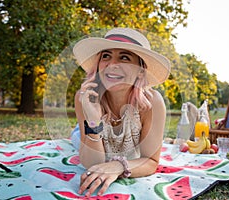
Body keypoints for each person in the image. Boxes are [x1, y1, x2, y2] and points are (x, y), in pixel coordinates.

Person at [72, 27, 171, 197]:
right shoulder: (85, 98)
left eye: (124, 57)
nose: (112, 64)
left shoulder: (152, 103)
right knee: (75, 140)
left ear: (141, 71)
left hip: (126, 147)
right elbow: (93, 163)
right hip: (88, 131)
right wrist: (93, 120)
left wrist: (118, 166)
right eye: (106, 56)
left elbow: (151, 161)